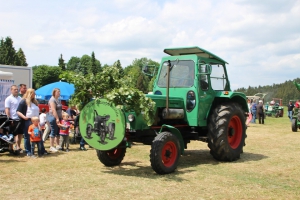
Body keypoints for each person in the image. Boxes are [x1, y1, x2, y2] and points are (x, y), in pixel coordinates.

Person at [17, 88, 46, 156]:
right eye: (33, 93)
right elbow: (18, 111)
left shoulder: (35, 102)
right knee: (28, 136)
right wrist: (24, 117)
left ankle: (41, 150)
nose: (35, 94)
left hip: (36, 121)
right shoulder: (23, 101)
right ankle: (28, 151)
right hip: (28, 120)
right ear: (30, 94)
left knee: (39, 134)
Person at [4, 85, 23, 153]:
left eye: (17, 89)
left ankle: (18, 147)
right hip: (12, 119)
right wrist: (9, 119)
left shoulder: (19, 98)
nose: (16, 90)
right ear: (11, 90)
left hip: (19, 118)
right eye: (15, 89)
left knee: (20, 133)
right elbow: (7, 109)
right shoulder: (8, 99)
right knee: (12, 134)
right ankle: (11, 148)